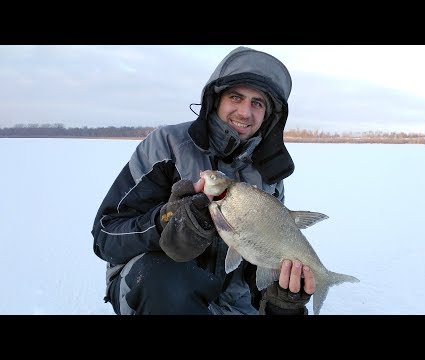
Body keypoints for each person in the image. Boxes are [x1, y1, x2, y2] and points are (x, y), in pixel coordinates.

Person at [91, 46, 316, 315]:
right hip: (149, 285)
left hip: (232, 303)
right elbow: (106, 236)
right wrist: (165, 222)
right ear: (215, 99)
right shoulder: (167, 146)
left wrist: (280, 302)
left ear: (269, 116)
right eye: (236, 97)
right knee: (166, 283)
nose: (245, 112)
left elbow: (257, 259)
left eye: (257, 103)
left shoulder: (269, 173)